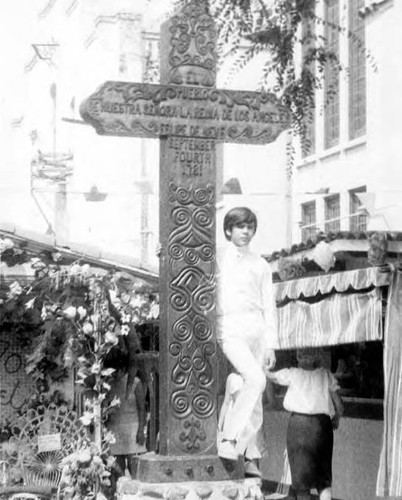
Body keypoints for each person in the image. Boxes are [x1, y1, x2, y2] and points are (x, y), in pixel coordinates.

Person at [217, 206, 279, 478]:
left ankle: (252, 455)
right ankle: (229, 438)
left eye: (249, 227)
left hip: (257, 330)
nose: (245, 231)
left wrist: (271, 344)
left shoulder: (261, 264)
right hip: (230, 327)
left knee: (250, 393)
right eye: (240, 226)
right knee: (256, 380)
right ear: (228, 230)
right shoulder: (218, 259)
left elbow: (269, 306)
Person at [267, 348, 344, 500]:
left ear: (298, 357)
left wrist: (263, 364)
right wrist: (336, 419)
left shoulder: (292, 373)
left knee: (302, 482)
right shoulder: (325, 374)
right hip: (322, 427)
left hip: (299, 428)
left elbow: (271, 377)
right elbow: (340, 406)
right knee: (324, 479)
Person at [107, 362, 147, 490]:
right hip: (115, 430)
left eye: (116, 371)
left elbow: (142, 409)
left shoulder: (135, 383)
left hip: (132, 428)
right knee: (116, 469)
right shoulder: (109, 384)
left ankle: (137, 494)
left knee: (134, 468)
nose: (114, 374)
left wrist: (141, 430)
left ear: (123, 369)